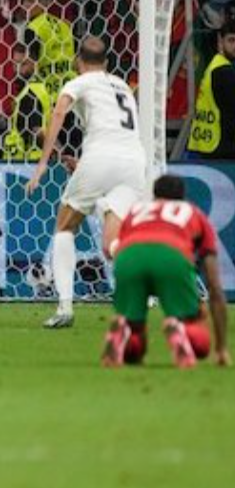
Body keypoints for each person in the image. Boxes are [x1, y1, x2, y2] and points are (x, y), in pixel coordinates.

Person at [27, 36, 146, 329]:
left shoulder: (77, 82)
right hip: (134, 163)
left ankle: (65, 307)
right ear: (106, 63)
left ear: (78, 62)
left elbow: (59, 112)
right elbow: (116, 131)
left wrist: (42, 164)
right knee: (111, 244)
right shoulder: (122, 86)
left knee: (65, 226)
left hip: (101, 158)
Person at [101, 174, 230, 369]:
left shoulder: (137, 210)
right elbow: (214, 284)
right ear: (183, 196)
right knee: (200, 344)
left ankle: (123, 329)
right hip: (172, 256)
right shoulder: (193, 212)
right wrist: (221, 348)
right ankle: (179, 328)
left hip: (128, 258)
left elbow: (120, 246)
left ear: (154, 194)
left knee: (133, 348)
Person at [186, 22, 235, 159]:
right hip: (223, 148)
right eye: (231, 40)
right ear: (220, 41)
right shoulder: (224, 71)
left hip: (208, 144)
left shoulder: (214, 65)